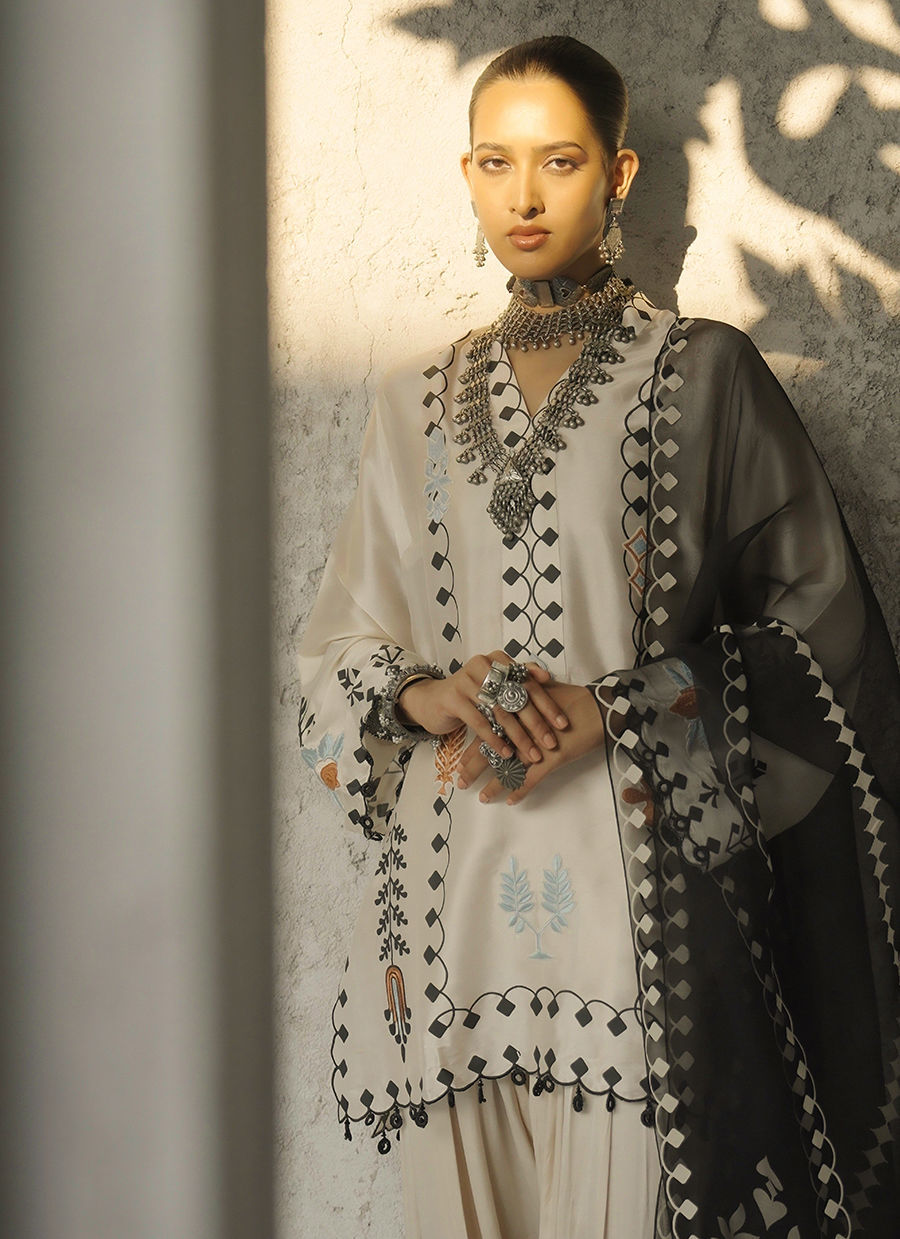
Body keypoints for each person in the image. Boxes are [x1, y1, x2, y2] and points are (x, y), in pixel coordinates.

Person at [296, 35, 900, 1239]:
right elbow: (337, 650)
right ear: (466, 175)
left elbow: (828, 643)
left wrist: (620, 707)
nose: (524, 195)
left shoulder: (704, 376)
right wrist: (428, 695)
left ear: (618, 174)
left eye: (560, 161)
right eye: (496, 162)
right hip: (452, 923)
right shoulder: (411, 405)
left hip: (641, 929)